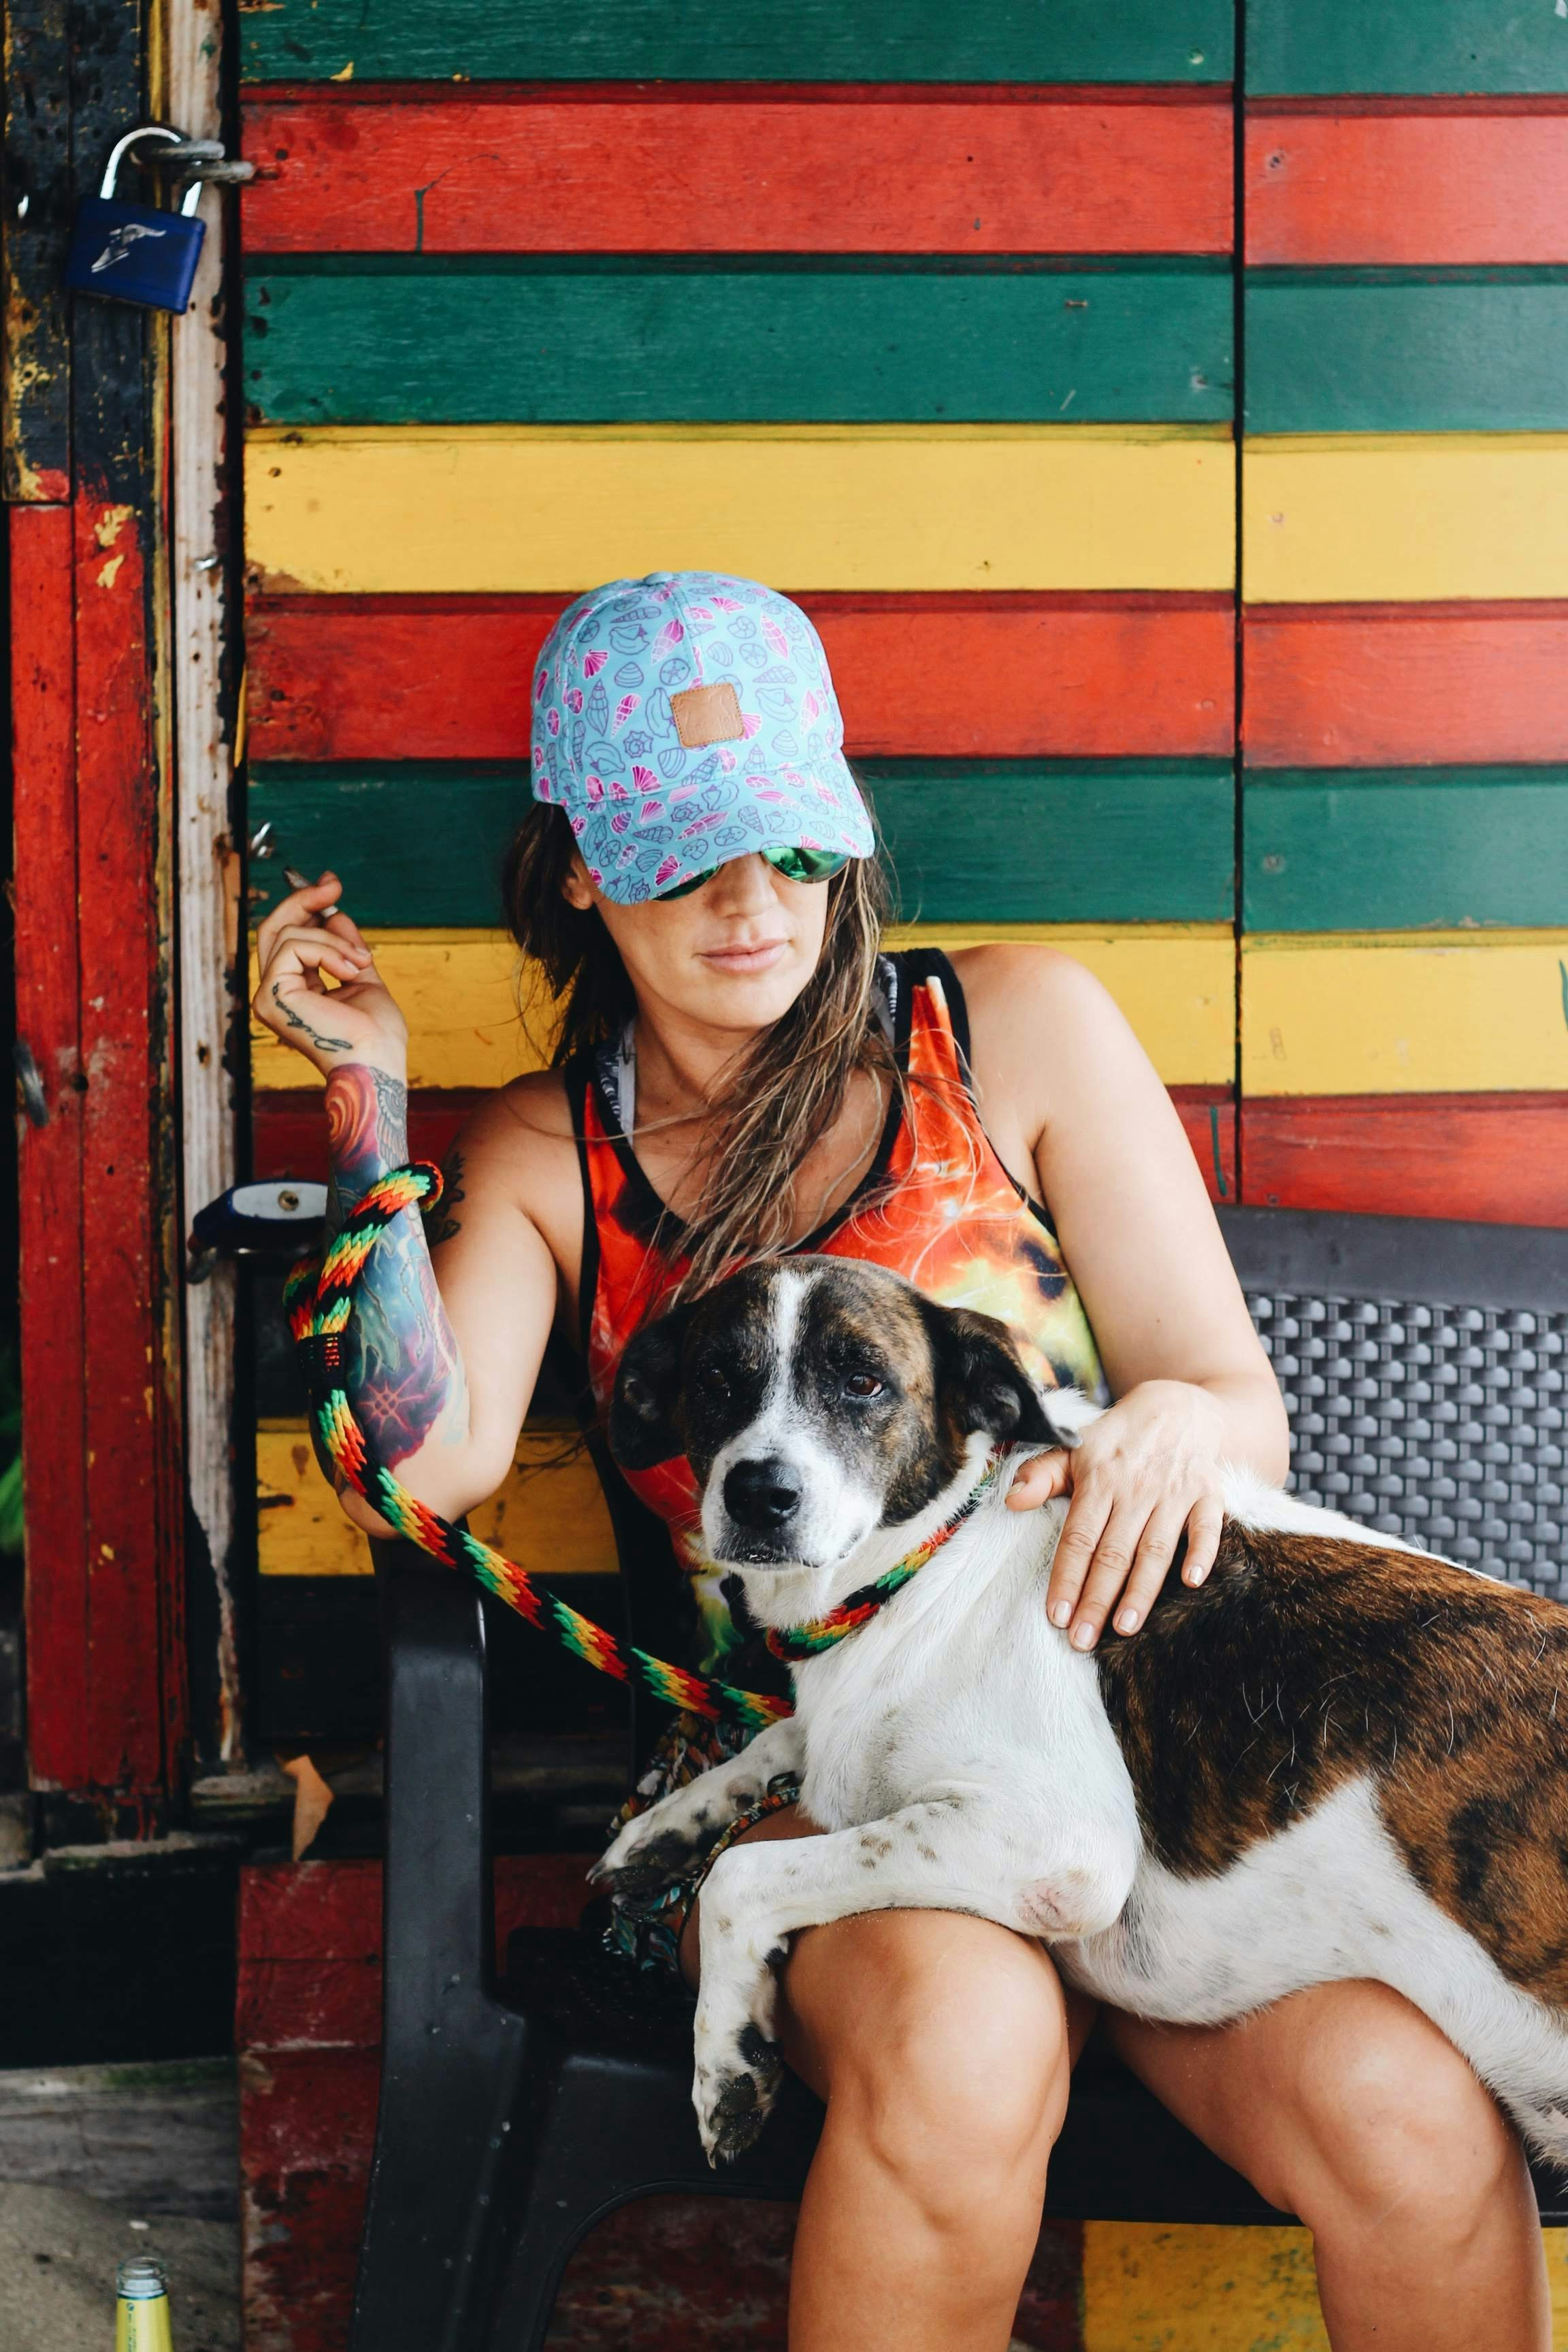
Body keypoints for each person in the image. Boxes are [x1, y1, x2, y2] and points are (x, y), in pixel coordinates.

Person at [253, 572, 1547, 2352]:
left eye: (790, 843)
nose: (748, 901)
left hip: (1158, 1780)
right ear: (574, 866)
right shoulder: (558, 1154)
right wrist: (365, 1098)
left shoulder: (1010, 1030)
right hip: (825, 1786)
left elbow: (1228, 1401)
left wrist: (1177, 1421)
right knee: (963, 2043)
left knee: (1410, 2121)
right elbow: (420, 1468)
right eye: (684, 852)